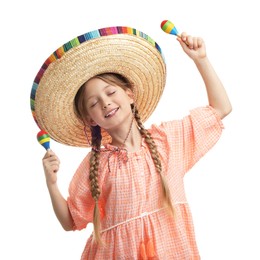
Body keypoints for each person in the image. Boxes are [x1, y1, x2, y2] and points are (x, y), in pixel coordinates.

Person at [31, 26, 231, 259]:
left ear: (129, 94)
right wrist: (51, 182)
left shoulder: (168, 140)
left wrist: (201, 59)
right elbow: (70, 221)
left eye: (111, 92)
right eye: (94, 103)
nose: (105, 103)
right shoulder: (98, 164)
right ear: (90, 119)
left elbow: (221, 108)